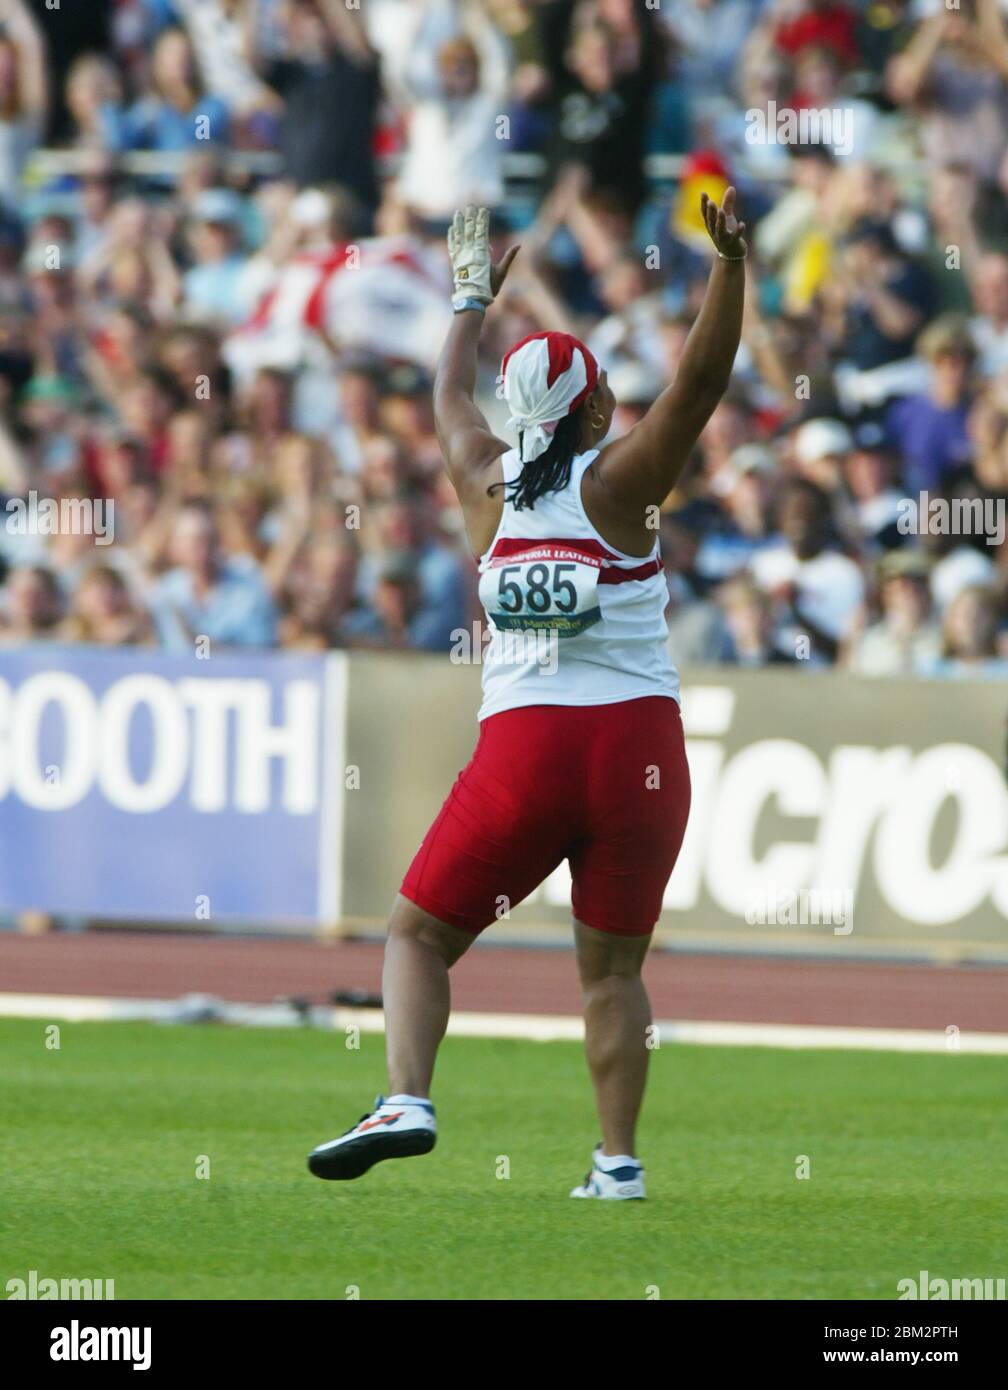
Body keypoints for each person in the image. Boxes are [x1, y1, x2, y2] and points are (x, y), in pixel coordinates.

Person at [308, 192, 748, 1198]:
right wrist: (728, 270)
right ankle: (618, 1163)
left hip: (525, 752)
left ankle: (408, 1096)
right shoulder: (622, 480)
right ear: (596, 409)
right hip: (639, 752)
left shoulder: (482, 482)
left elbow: (446, 397)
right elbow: (700, 381)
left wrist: (468, 295)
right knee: (613, 975)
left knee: (420, 936)